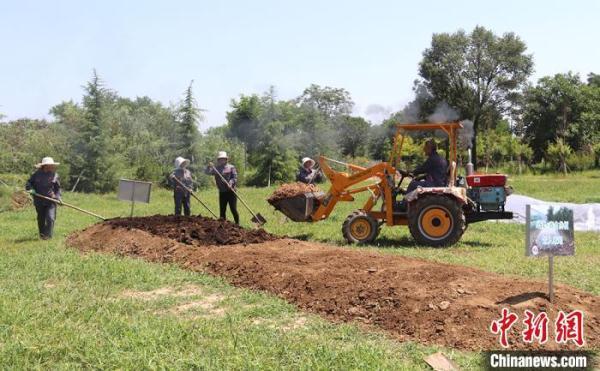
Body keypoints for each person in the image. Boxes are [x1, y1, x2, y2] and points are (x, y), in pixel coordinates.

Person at [25, 157, 62, 239]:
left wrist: (58, 197)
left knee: (50, 218)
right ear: (44, 166)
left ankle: (48, 236)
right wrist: (31, 189)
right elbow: (28, 183)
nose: (51, 167)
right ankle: (42, 235)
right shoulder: (36, 174)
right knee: (41, 218)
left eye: (52, 165)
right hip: (39, 200)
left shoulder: (55, 175)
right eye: (49, 165)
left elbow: (58, 188)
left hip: (51, 200)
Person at [205, 151, 239, 224]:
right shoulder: (216, 169)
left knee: (233, 209)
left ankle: (237, 224)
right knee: (222, 210)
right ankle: (223, 226)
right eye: (220, 159)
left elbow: (235, 178)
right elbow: (207, 172)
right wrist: (208, 166)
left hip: (231, 192)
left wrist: (230, 183)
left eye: (223, 159)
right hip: (222, 192)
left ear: (226, 159)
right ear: (218, 160)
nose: (221, 160)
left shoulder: (231, 167)